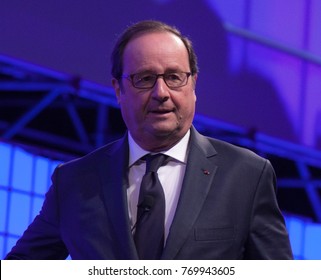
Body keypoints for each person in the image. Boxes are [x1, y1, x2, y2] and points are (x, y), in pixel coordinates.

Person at [5, 20, 293, 260]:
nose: (161, 92)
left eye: (174, 77)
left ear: (193, 84)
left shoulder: (246, 175)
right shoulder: (73, 182)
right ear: (118, 90)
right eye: (144, 79)